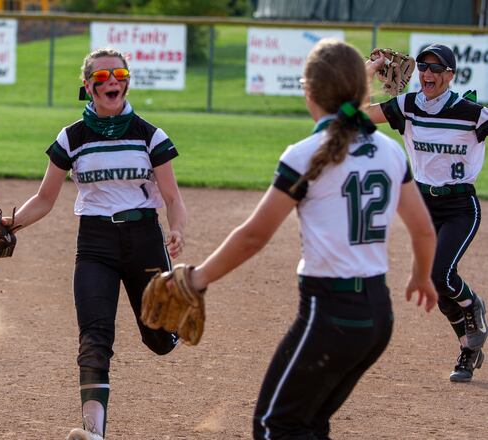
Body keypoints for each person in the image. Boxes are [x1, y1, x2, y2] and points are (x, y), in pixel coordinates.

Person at [177, 39, 438, 439]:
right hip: (377, 315)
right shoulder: (388, 151)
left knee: (275, 425)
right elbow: (423, 230)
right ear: (358, 91)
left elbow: (253, 237)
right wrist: (421, 277)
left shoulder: (305, 154)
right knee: (309, 424)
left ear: (308, 91)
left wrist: (196, 279)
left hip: (329, 313)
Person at [2, 47, 187, 439]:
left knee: (158, 340)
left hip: (144, 242)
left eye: (118, 74)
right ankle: (94, 433)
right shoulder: (72, 137)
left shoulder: (149, 135)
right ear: (87, 86)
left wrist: (178, 230)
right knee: (94, 338)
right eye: (101, 77)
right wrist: (12, 224)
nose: (112, 82)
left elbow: (172, 197)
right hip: (96, 244)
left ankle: (175, 315)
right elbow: (45, 199)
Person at [366, 43, 488, 382]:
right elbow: (353, 112)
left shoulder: (471, 113)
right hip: (423, 208)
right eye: (423, 67)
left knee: (439, 275)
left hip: (460, 207)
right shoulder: (407, 106)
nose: (428, 74)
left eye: (437, 68)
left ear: (450, 75)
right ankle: (468, 347)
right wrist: (371, 69)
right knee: (436, 284)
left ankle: (473, 305)